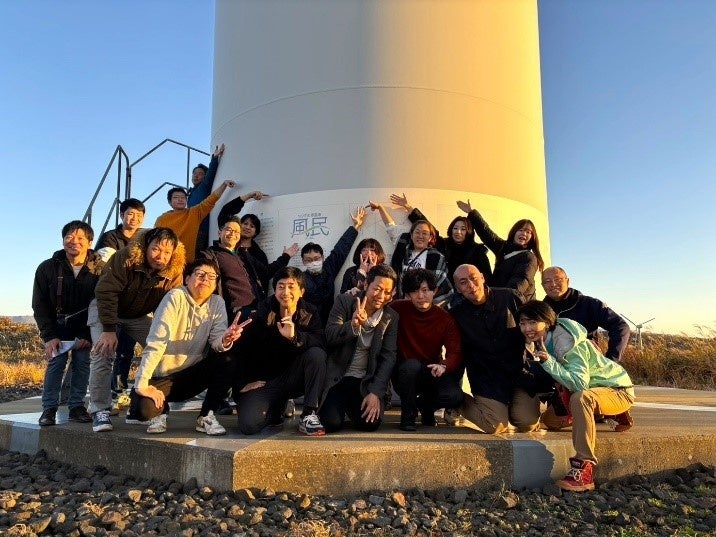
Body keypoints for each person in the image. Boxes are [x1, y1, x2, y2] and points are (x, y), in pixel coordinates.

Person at [517, 300, 635, 492]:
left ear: (547, 322)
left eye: (533, 322)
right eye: (523, 323)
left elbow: (580, 384)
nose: (527, 328)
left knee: (581, 398)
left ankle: (584, 468)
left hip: (616, 389)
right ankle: (609, 413)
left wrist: (548, 362)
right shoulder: (540, 340)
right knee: (551, 421)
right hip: (594, 390)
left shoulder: (568, 342)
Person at [128, 259, 244, 435]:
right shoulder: (175, 297)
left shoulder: (217, 303)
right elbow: (156, 342)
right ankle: (160, 411)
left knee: (228, 359)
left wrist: (225, 339)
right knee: (143, 410)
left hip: (193, 375)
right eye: (200, 274)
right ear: (187, 278)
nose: (205, 279)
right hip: (163, 377)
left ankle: (206, 415)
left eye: (211, 276)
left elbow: (216, 342)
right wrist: (142, 384)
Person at [87, 227, 186, 432]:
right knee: (103, 352)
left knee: (162, 351)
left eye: (167, 252)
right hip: (106, 309)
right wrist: (108, 329)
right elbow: (106, 291)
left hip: (138, 315)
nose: (161, 256)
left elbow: (171, 304)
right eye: (156, 249)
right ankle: (99, 409)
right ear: (146, 246)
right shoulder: (125, 257)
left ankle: (138, 405)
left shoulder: (174, 271)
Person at [233, 267, 327, 436]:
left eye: (291, 286)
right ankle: (276, 410)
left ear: (301, 292)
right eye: (281, 286)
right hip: (266, 381)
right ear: (275, 290)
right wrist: (241, 383)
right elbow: (242, 349)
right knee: (249, 425)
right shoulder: (262, 312)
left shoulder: (310, 312)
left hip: (294, 377)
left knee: (316, 354)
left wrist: (295, 337)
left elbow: (320, 341)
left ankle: (309, 414)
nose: (286, 292)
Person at [32, 221, 103, 426]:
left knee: (82, 363)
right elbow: (39, 304)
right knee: (56, 364)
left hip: (87, 325)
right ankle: (49, 408)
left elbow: (104, 301)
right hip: (58, 325)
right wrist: (49, 336)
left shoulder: (100, 269)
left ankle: (77, 407)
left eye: (81, 238)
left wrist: (89, 335)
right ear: (63, 240)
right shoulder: (47, 267)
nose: (74, 241)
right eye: (69, 237)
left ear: (90, 242)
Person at [449, 264, 534, 434]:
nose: (471, 285)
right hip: (487, 380)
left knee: (527, 423)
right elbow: (456, 350)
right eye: (463, 282)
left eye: (473, 278)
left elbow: (534, 323)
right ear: (458, 289)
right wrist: (450, 391)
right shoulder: (457, 314)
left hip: (518, 374)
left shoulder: (510, 297)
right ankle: (458, 404)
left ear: (482, 277)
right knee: (494, 426)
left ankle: (511, 409)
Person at [319, 265, 398, 432]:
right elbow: (330, 336)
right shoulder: (344, 302)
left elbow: (388, 358)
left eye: (387, 292)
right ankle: (339, 407)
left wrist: (375, 392)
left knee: (369, 424)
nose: (381, 296)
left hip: (364, 381)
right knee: (331, 424)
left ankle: (352, 407)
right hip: (339, 376)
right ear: (366, 284)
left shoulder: (391, 317)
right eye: (377, 289)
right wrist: (353, 326)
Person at [389, 269, 463, 431]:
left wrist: (443, 365)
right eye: (415, 291)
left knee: (454, 396)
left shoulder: (444, 318)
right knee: (411, 366)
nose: (420, 296)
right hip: (405, 374)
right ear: (408, 294)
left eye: (425, 290)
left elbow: (455, 352)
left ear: (434, 291)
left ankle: (425, 406)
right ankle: (408, 416)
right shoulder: (397, 308)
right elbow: (376, 308)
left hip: (432, 371)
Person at [94, 198, 147, 407]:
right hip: (113, 300)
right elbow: (107, 264)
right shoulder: (110, 237)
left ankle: (119, 389)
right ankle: (103, 398)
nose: (134, 218)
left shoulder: (144, 238)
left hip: (133, 303)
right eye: (130, 213)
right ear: (122, 215)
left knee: (126, 350)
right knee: (108, 350)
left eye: (139, 215)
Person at [387, 193, 493, 285]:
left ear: (468, 231)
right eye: (455, 228)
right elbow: (427, 226)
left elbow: (486, 277)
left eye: (463, 229)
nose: (458, 232)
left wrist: (471, 212)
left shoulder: (477, 250)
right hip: (445, 292)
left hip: (469, 293)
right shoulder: (444, 244)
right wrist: (407, 206)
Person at [457, 199, 544, 301]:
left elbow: (519, 283)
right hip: (500, 300)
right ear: (514, 232)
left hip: (518, 304)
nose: (524, 233)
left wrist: (497, 300)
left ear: (532, 237)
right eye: (520, 230)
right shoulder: (503, 248)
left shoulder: (528, 257)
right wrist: (472, 213)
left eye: (528, 232)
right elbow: (487, 234)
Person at [368, 201, 453, 305]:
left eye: (425, 233)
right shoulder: (403, 249)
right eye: (417, 232)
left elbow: (439, 284)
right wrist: (380, 208)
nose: (420, 236)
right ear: (411, 235)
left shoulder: (437, 257)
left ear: (430, 237)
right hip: (402, 301)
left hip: (424, 303)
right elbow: (391, 227)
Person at [541, 266, 630, 362]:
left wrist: (610, 360)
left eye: (557, 279)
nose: (553, 284)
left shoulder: (588, 304)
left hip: (586, 364)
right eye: (547, 281)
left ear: (568, 281)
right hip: (551, 365)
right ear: (542, 285)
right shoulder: (540, 310)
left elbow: (620, 326)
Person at [301, 207, 366, 324]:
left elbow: (341, 249)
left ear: (322, 258)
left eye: (316, 258)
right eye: (309, 260)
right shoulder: (299, 278)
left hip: (330, 322)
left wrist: (355, 226)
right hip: (309, 325)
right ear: (304, 262)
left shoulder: (328, 269)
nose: (313, 262)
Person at [155, 179, 235, 263]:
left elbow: (211, 200)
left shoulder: (194, 213)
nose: (180, 199)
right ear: (169, 202)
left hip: (187, 262)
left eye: (183, 197)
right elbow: (156, 241)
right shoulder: (162, 219)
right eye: (176, 197)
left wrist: (224, 184)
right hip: (166, 260)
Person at [188, 143, 225, 258]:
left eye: (200, 174)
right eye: (194, 173)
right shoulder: (190, 193)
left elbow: (211, 174)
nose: (196, 176)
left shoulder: (204, 187)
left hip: (201, 231)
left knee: (196, 257)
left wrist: (214, 158)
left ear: (204, 177)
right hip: (191, 229)